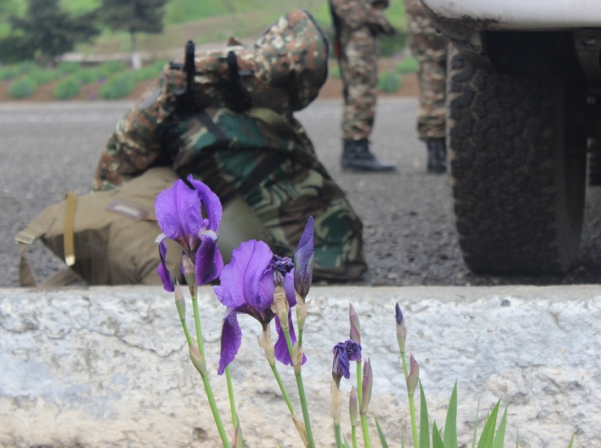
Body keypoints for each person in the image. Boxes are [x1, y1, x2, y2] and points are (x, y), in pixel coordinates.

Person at [92, 10, 367, 281]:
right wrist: (107, 197)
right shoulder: (191, 79)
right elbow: (130, 139)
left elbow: (292, 139)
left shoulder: (260, 82)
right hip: (161, 177)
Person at [329, 0, 396, 172]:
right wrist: (380, 21)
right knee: (361, 90)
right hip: (358, 32)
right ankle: (356, 152)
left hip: (360, 30)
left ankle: (356, 149)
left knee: (361, 89)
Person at [406, 0, 448, 173]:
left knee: (432, 77)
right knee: (436, 78)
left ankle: (436, 151)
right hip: (436, 13)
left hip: (424, 13)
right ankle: (438, 151)